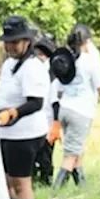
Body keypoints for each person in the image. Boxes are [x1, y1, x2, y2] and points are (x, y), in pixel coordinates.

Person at [0, 16, 50, 199]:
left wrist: (13, 114)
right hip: (6, 132)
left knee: (21, 182)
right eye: (7, 43)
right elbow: (5, 96)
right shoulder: (9, 65)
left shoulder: (33, 67)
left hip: (24, 134)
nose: (10, 47)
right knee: (7, 180)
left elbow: (35, 102)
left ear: (27, 41)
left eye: (15, 43)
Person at [53, 24, 100, 189]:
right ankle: (55, 193)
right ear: (87, 41)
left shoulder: (66, 60)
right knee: (70, 155)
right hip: (81, 112)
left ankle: (83, 189)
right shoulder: (90, 62)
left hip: (65, 109)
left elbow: (58, 90)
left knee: (77, 151)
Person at [31, 36, 60, 186]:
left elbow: (55, 102)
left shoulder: (53, 75)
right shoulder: (33, 70)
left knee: (46, 154)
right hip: (34, 119)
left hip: (47, 119)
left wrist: (56, 123)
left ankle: (46, 180)